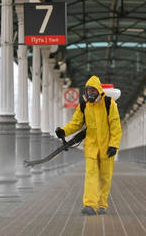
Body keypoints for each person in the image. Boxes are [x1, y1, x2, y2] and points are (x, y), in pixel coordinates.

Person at [55, 75, 122, 215]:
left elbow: (115, 127)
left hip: (106, 148)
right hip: (91, 147)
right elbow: (76, 124)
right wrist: (64, 131)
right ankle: (90, 205)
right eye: (88, 90)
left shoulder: (109, 104)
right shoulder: (84, 105)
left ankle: (101, 204)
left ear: (98, 91)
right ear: (85, 91)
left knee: (104, 177)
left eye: (93, 90)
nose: (90, 93)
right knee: (91, 175)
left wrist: (114, 145)